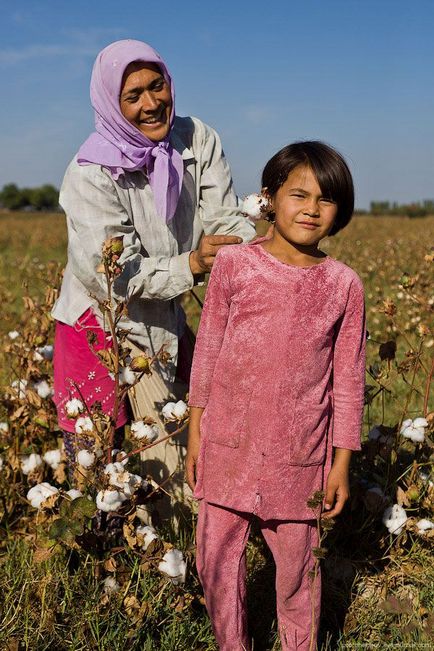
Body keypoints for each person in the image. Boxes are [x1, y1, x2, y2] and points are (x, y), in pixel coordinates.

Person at [51, 40, 255, 498]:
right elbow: (115, 274)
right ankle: (98, 564)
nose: (151, 103)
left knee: (184, 460)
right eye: (133, 95)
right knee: (98, 467)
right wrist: (194, 263)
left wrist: (254, 250)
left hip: (166, 319)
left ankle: (180, 553)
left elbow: (224, 216)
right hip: (101, 326)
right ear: (110, 104)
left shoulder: (197, 138)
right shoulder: (90, 175)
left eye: (157, 86)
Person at [186, 141, 366, 650]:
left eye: (326, 199)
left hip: (300, 459)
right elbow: (209, 352)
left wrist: (340, 464)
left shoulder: (343, 286)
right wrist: (197, 431)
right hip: (227, 446)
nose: (311, 208)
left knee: (297, 575)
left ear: (341, 210)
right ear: (269, 198)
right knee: (216, 560)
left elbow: (349, 382)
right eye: (299, 194)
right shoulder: (235, 267)